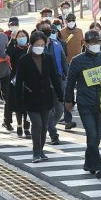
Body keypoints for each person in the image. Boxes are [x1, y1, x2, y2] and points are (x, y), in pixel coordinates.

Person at [66, 30, 101, 177]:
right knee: (91, 134)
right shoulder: (77, 60)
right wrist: (69, 100)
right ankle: (98, 166)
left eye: (97, 42)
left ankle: (88, 163)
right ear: (85, 43)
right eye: (92, 43)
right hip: (85, 103)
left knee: (96, 137)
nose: (95, 45)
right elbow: (70, 82)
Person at [15, 31, 64, 163]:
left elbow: (54, 78)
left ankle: (41, 150)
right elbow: (19, 81)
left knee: (44, 126)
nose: (40, 47)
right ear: (31, 45)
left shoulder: (48, 58)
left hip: (46, 97)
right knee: (36, 124)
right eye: (37, 44)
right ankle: (36, 152)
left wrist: (60, 95)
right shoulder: (24, 60)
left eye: (42, 45)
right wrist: (18, 100)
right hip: (31, 98)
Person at [38, 18, 67, 143]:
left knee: (59, 109)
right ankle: (53, 134)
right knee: (49, 110)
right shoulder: (36, 47)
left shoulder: (57, 44)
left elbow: (63, 60)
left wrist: (68, 75)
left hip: (58, 80)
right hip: (44, 82)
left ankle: (49, 127)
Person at [59, 13, 83, 129]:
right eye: (69, 20)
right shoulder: (62, 33)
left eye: (73, 20)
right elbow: (62, 47)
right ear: (65, 21)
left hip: (80, 64)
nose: (71, 22)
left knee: (81, 89)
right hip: (67, 65)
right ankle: (68, 119)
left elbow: (83, 45)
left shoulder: (80, 31)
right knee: (67, 91)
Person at [6, 29, 31, 136]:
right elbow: (8, 52)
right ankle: (19, 125)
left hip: (29, 79)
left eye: (24, 36)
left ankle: (27, 126)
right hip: (15, 79)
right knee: (17, 104)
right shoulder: (14, 49)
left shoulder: (30, 49)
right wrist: (12, 39)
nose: (22, 38)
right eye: (19, 36)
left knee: (28, 104)